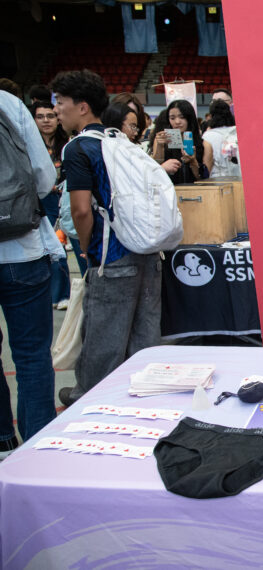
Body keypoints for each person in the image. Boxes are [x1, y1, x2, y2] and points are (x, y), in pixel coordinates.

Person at [51, 69, 162, 406]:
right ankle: (144, 403)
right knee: (144, 341)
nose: (57, 110)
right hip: (147, 250)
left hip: (110, 255)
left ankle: (90, 403)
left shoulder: (78, 147)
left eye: (61, 103)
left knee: (103, 341)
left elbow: (81, 209)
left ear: (82, 107)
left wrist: (87, 249)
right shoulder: (122, 143)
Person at [0, 90, 65, 453]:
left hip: (22, 249)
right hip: (21, 248)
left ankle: (3, 440)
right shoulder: (7, 103)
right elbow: (43, 178)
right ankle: (37, 445)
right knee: (31, 355)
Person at [31, 100, 74, 307]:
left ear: (58, 118)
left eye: (50, 116)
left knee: (73, 246)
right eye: (40, 117)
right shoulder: (28, 145)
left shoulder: (69, 142)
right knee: (52, 249)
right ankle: (57, 295)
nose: (46, 121)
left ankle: (70, 295)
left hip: (68, 198)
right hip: (42, 201)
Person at [150, 99, 213, 184]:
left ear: (189, 118)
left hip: (195, 193)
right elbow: (153, 171)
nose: (177, 122)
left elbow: (205, 179)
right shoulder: (161, 140)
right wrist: (160, 147)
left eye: (182, 117)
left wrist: (193, 161)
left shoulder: (205, 145)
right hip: (169, 191)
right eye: (172, 118)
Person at [202, 99, 241, 178]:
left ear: (211, 115)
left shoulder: (208, 136)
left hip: (217, 179)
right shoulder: (238, 132)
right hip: (239, 176)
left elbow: (207, 163)